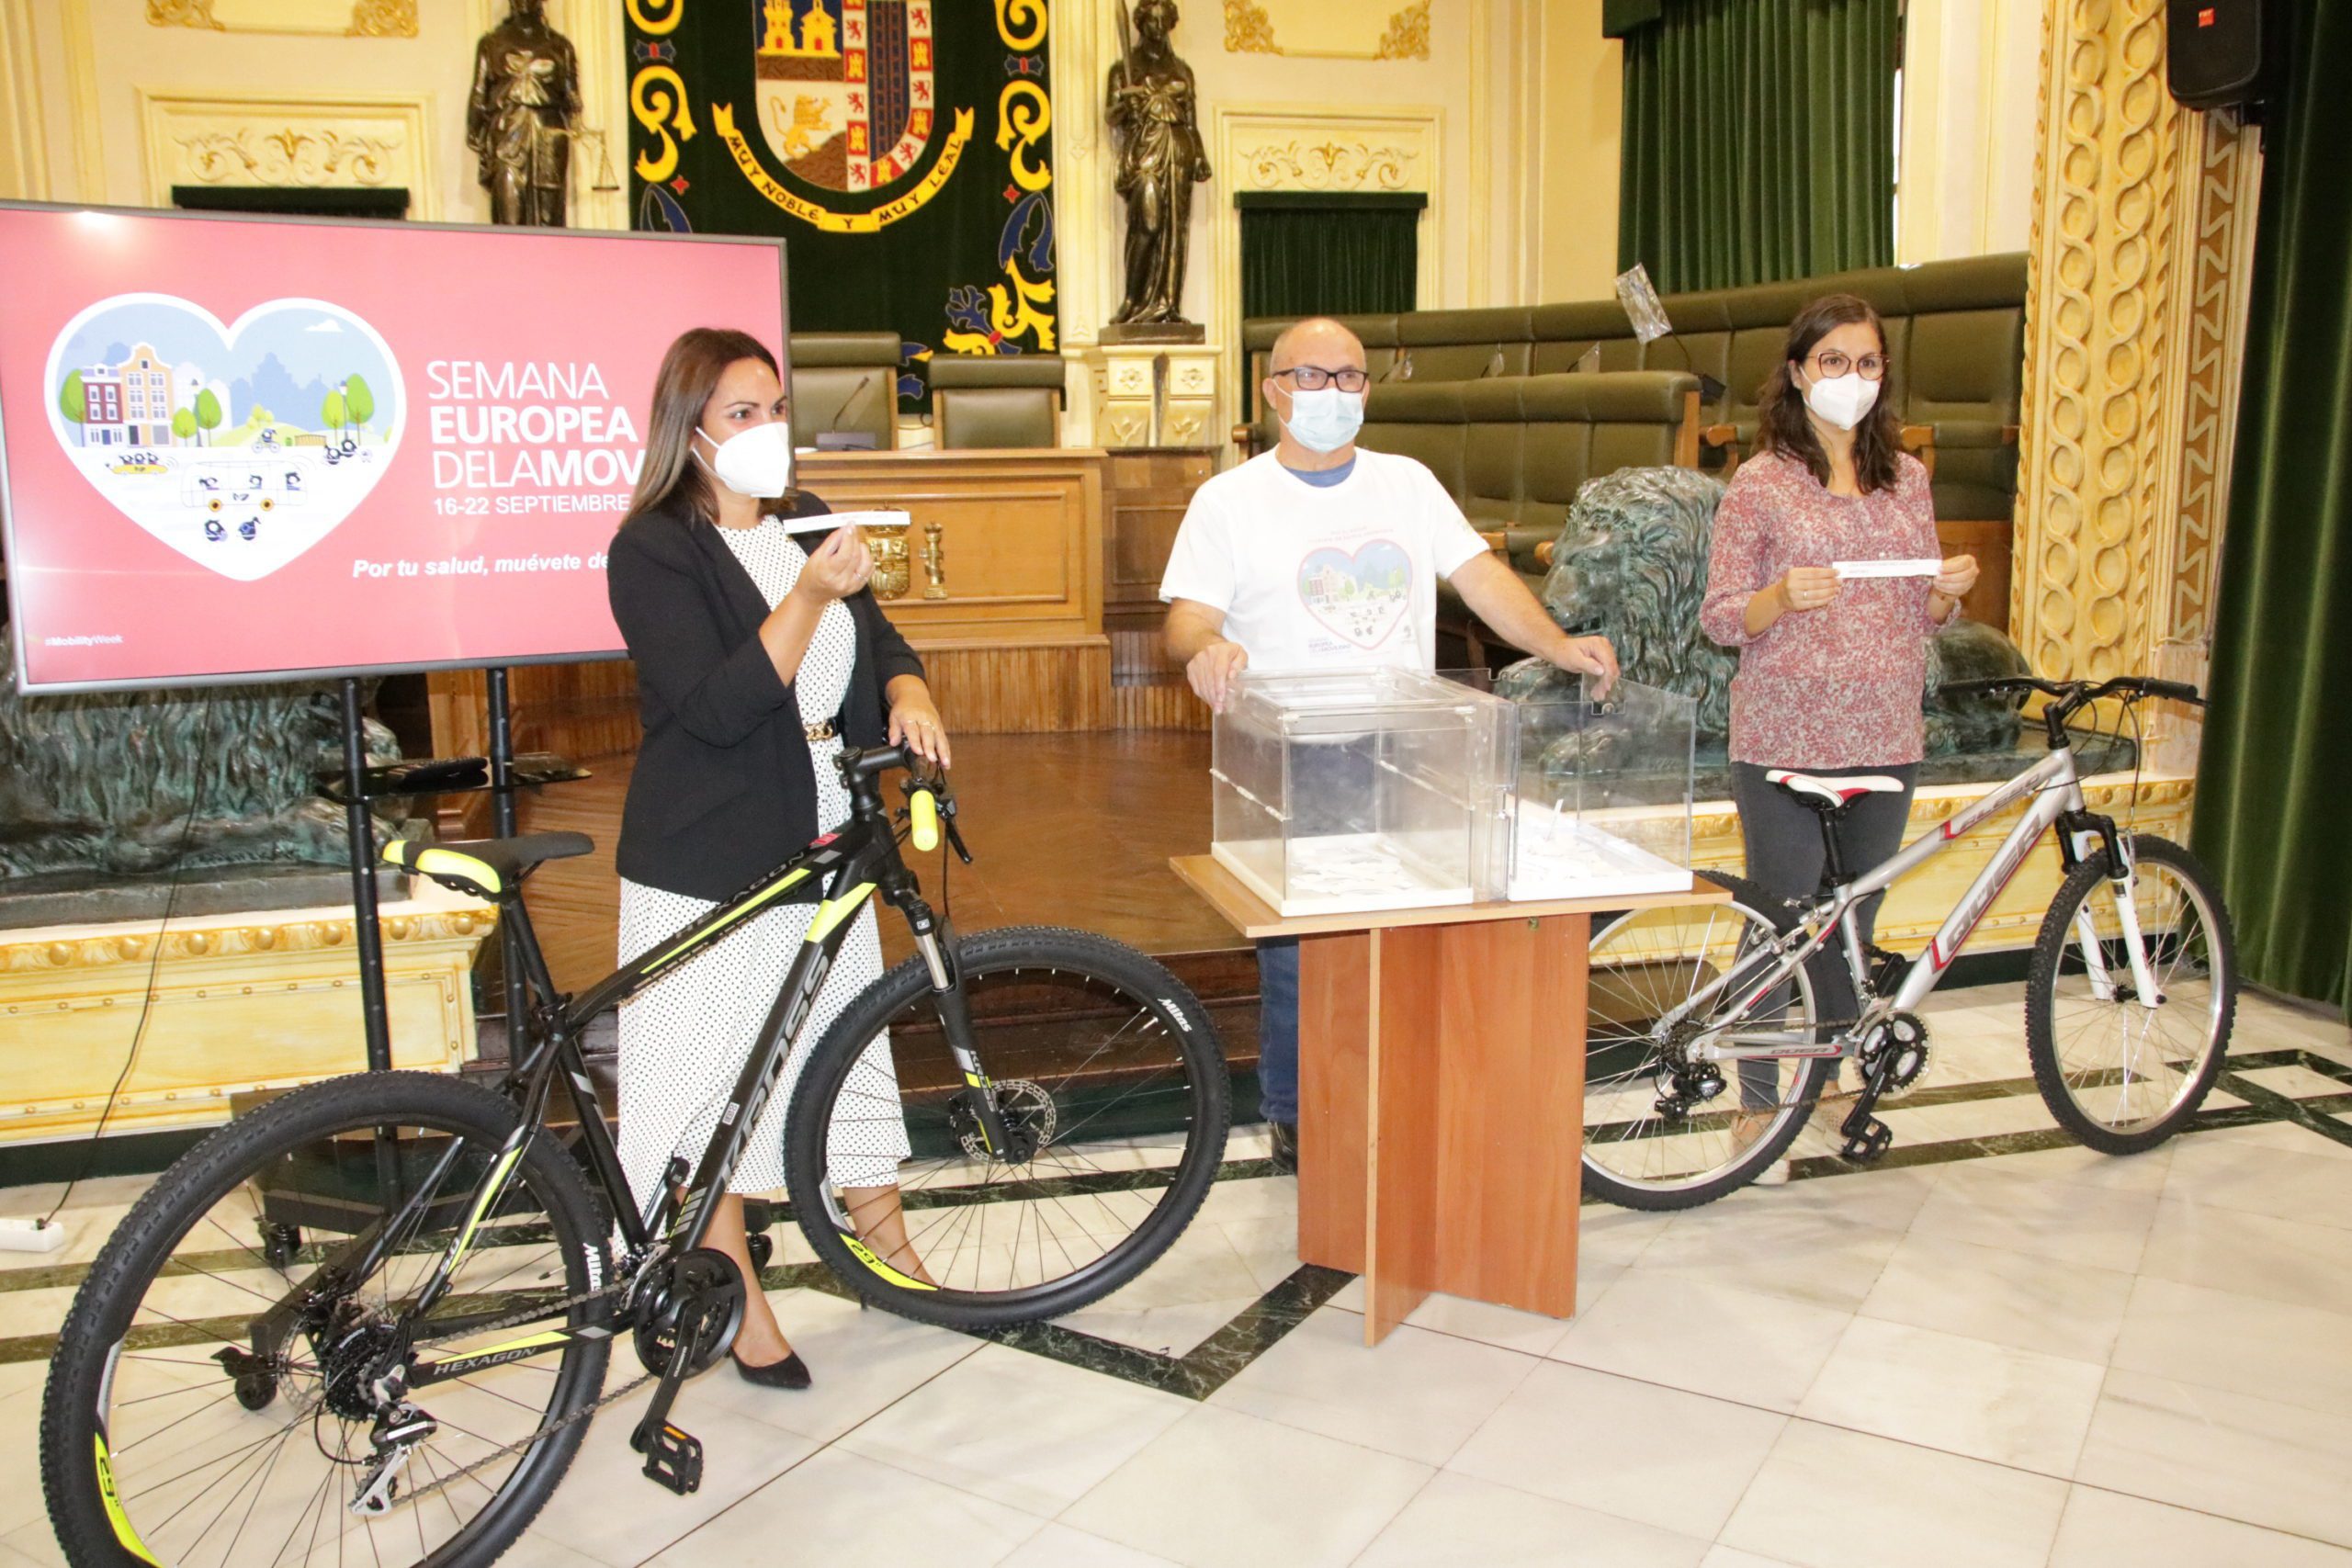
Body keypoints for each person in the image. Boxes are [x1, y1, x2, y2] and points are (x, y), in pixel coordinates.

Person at [1159, 316, 1620, 1171]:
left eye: (1349, 379)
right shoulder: (1230, 499)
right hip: (1298, 750)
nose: (1330, 394)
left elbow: (1479, 575)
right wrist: (1207, 648)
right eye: (1311, 377)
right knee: (1308, 944)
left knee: (1419, 926)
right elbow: (1187, 615)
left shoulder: (1406, 483)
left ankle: (1406, 1091)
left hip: (1414, 744)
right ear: (1272, 389)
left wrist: (1555, 642)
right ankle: (1299, 1110)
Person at [605, 328, 952, 1386]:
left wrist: (908, 690)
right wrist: (804, 597)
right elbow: (713, 710)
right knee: (718, 1085)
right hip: (709, 855)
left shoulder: (808, 518)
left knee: (841, 1058)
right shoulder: (653, 549)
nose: (764, 432)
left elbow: (879, 641)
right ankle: (742, 1303)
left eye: (773, 408)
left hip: (822, 842)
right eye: (738, 415)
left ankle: (893, 1260)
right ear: (691, 433)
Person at [1698, 293, 1978, 1179]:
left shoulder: (1910, 480)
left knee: (1853, 917)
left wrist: (1946, 592)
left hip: (1886, 727)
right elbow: (1718, 617)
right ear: (1797, 373)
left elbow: (1921, 610)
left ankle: (1822, 1076)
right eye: (1832, 362)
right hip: (1784, 726)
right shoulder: (1760, 483)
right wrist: (1780, 598)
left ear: (1883, 374)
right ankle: (1755, 1100)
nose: (1850, 379)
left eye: (1866, 363)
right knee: (1779, 919)